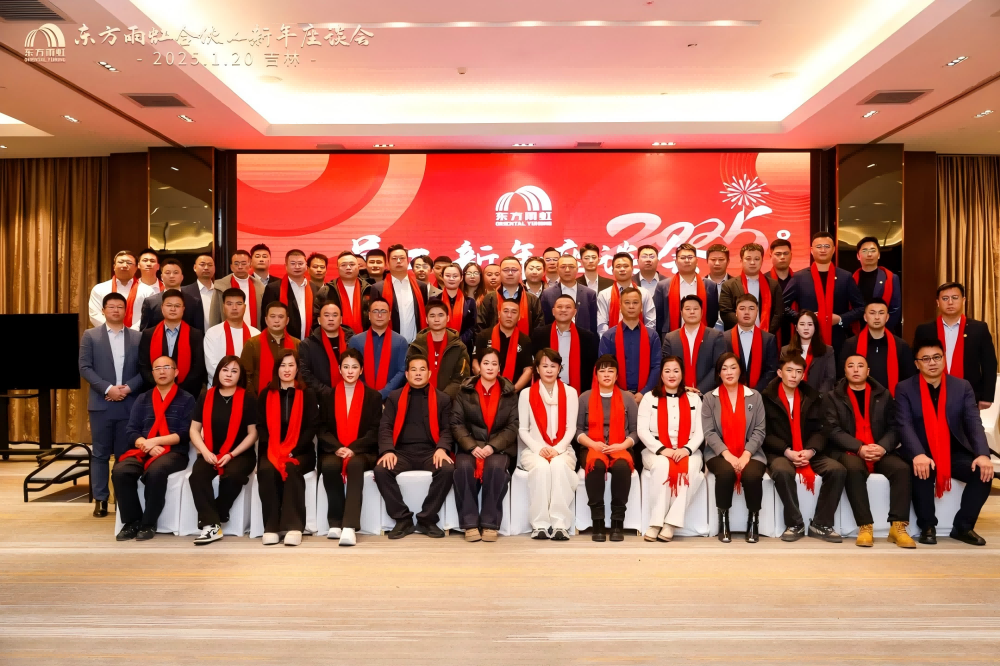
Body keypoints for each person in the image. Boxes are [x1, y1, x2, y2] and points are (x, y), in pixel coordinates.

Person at [896, 338, 994, 546]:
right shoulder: (905, 388)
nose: (932, 362)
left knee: (983, 473)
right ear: (917, 364)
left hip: (953, 450)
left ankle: (963, 527)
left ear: (944, 359)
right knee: (922, 470)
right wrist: (918, 454)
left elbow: (973, 422)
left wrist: (983, 454)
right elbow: (904, 424)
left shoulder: (961, 386)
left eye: (936, 357)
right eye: (926, 359)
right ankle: (927, 526)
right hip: (921, 449)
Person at [824, 354, 915, 548]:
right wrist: (859, 447)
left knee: (902, 469)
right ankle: (865, 526)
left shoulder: (884, 394)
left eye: (860, 366)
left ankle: (898, 526)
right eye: (851, 366)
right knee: (853, 469)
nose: (856, 369)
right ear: (845, 371)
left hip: (878, 449)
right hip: (849, 450)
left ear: (868, 371)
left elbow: (895, 427)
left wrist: (883, 447)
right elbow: (832, 430)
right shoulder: (832, 397)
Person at [763, 353, 846, 542]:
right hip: (781, 452)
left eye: (798, 371)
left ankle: (821, 524)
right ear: (779, 373)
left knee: (837, 470)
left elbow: (823, 429)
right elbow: (765, 433)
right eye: (789, 370)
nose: (793, 375)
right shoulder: (766, 397)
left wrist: (810, 451)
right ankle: (795, 524)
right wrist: (787, 451)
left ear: (803, 375)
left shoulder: (814, 397)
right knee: (782, 471)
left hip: (809, 450)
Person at [112, 356, 196, 541]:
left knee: (156, 471)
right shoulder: (143, 398)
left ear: (176, 372)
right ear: (152, 373)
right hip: (143, 449)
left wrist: (155, 441)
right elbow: (131, 430)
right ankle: (132, 522)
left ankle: (149, 523)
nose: (162, 371)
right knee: (120, 471)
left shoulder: (187, 399)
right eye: (157, 368)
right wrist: (147, 445)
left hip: (174, 452)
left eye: (167, 367)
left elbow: (185, 433)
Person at [376, 355, 456, 539]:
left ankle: (427, 519)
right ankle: (403, 519)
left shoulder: (443, 399)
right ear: (406, 374)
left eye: (422, 369)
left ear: (429, 373)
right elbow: (385, 427)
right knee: (381, 470)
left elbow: (447, 429)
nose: (418, 373)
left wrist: (442, 448)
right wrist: (388, 450)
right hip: (401, 452)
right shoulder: (395, 397)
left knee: (447, 469)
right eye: (413, 369)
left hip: (431, 452)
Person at [79, 292, 143, 518]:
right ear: (103, 310)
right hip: (101, 403)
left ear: (126, 311)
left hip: (129, 403)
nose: (116, 310)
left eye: (120, 307)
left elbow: (144, 370)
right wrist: (108, 389)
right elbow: (84, 367)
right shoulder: (90, 335)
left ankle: (121, 498)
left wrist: (127, 388)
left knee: (125, 454)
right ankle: (100, 499)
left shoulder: (137, 337)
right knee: (100, 453)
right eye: (111, 307)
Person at [187, 356, 257, 545]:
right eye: (225, 370)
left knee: (233, 475)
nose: (229, 374)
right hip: (210, 451)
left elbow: (253, 434)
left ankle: (216, 515)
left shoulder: (248, 398)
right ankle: (212, 526)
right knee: (197, 476)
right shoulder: (206, 396)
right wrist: (205, 451)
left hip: (240, 454)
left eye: (234, 371)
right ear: (218, 372)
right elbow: (194, 430)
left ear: (240, 376)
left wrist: (231, 454)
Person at [451, 348, 519, 542]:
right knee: (463, 468)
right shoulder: (464, 391)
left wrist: (492, 447)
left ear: (499, 368)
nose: (490, 367)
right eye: (486, 363)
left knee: (496, 468)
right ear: (478, 366)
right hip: (470, 445)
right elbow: (456, 423)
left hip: (498, 447)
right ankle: (469, 523)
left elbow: (513, 426)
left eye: (494, 364)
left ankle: (490, 523)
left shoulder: (509, 393)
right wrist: (472, 446)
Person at [317, 348, 383, 547]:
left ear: (361, 370)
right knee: (329, 466)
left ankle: (349, 526)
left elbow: (375, 430)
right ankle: (335, 522)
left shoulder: (373, 397)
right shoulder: (328, 396)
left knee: (354, 465)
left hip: (363, 451)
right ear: (339, 369)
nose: (350, 371)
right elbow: (321, 429)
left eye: (354, 367)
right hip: (335, 449)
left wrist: (353, 448)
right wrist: (338, 447)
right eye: (346, 367)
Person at [256, 349, 320, 546]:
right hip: (272, 450)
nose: (286, 369)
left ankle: (294, 527)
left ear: (297, 368)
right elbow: (261, 427)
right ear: (276, 368)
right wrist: (275, 449)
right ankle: (272, 527)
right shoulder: (266, 394)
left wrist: (293, 450)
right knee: (267, 470)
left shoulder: (307, 394)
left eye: (291, 365)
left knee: (291, 468)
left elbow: (312, 427)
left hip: (300, 451)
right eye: (282, 365)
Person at [701, 352, 767, 543]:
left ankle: (753, 521)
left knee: (752, 475)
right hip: (718, 453)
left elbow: (760, 430)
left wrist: (746, 455)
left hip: (751, 452)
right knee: (726, 473)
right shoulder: (710, 398)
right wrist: (728, 455)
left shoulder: (754, 396)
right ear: (718, 373)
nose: (729, 372)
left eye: (733, 367)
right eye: (724, 369)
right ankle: (723, 521)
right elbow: (709, 432)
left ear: (740, 371)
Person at [637, 356, 704, 542]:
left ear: (682, 374)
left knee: (691, 469)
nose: (672, 375)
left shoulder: (694, 399)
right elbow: (642, 430)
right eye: (667, 371)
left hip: (687, 449)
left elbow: (701, 431)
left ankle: (671, 523)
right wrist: (662, 450)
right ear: (661, 375)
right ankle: (655, 523)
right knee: (662, 466)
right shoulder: (649, 397)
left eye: (676, 371)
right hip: (655, 450)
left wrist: (687, 449)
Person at [518, 349, 580, 540]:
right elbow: (523, 430)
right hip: (534, 450)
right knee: (542, 468)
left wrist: (557, 449)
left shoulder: (570, 393)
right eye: (544, 366)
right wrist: (540, 449)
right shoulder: (526, 394)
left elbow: (571, 428)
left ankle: (560, 524)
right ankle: (540, 525)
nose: (549, 370)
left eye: (553, 366)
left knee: (559, 466)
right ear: (537, 369)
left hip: (563, 449)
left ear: (559, 368)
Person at [576, 355, 638, 542]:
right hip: (592, 447)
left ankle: (618, 522)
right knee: (595, 467)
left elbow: (636, 431)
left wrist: (622, 445)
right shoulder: (585, 398)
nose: (606, 374)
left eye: (611, 371)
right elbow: (577, 430)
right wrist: (593, 444)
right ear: (596, 375)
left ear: (617, 375)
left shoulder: (627, 398)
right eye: (602, 371)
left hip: (621, 447)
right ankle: (598, 522)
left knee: (622, 468)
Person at [914, 282, 997, 408]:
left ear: (963, 300)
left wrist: (987, 396)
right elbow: (916, 363)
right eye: (945, 298)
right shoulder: (924, 330)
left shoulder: (979, 329)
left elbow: (989, 364)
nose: (950, 302)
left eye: (955, 298)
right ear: (938, 302)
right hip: (930, 394)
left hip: (969, 395)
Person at [783, 231, 865, 355]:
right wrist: (802, 319)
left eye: (827, 246)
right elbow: (782, 305)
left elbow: (861, 307)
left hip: (838, 338)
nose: (823, 250)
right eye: (819, 246)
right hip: (806, 339)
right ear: (811, 250)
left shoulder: (845, 277)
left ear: (833, 250)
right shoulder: (799, 277)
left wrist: (841, 319)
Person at [598, 287, 661, 407]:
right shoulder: (608, 336)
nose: (631, 306)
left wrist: (644, 392)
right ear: (620, 307)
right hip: (615, 396)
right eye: (627, 303)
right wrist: (621, 393)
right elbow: (604, 368)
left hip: (647, 396)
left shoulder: (652, 336)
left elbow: (656, 366)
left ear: (641, 307)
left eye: (635, 303)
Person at [138, 289, 206, 396]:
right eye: (169, 305)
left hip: (187, 393)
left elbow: (198, 367)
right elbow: (144, 366)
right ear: (162, 308)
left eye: (177, 306)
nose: (173, 309)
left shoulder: (195, 334)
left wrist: (179, 391)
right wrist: (161, 387)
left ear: (183, 309)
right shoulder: (148, 334)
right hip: (155, 392)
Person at [839, 299, 914, 396]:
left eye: (881, 313)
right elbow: (842, 376)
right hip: (858, 399)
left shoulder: (901, 345)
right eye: (872, 313)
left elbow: (908, 379)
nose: (877, 317)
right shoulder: (850, 344)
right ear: (865, 317)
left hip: (892, 400)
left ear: (887, 317)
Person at [660, 295, 726, 395]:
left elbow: (718, 367)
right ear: (681, 312)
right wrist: (683, 389)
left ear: (702, 312)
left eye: (695, 309)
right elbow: (665, 367)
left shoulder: (716, 336)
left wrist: (699, 390)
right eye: (687, 309)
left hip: (708, 395)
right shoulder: (670, 338)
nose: (692, 312)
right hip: (678, 393)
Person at [531, 294, 598, 393]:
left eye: (568, 307)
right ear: (553, 311)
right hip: (545, 389)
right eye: (559, 307)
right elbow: (535, 363)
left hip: (578, 390)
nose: (563, 310)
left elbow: (591, 367)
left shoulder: (587, 337)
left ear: (575, 312)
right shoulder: (539, 334)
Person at [347, 297, 409, 401]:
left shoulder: (400, 341)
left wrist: (383, 393)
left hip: (392, 398)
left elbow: (402, 371)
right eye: (375, 311)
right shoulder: (356, 341)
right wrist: (369, 393)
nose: (379, 315)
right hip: (361, 396)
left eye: (383, 311)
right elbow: (351, 369)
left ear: (389, 315)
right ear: (369, 315)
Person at [409, 300, 470, 398]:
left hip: (450, 400)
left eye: (441, 315)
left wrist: (443, 398)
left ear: (448, 318)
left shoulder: (459, 347)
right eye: (432, 316)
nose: (436, 319)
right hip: (420, 398)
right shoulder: (416, 346)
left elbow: (461, 378)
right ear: (426, 319)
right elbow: (410, 374)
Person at [719, 243, 783, 334]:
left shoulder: (773, 285)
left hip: (766, 335)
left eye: (756, 259)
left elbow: (779, 313)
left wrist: (766, 334)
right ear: (741, 261)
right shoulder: (729, 285)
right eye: (748, 259)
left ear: (762, 261)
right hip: (737, 334)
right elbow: (726, 312)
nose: (752, 262)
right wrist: (746, 329)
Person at [372, 244, 430, 344]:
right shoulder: (378, 288)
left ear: (408, 262)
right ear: (388, 263)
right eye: (394, 258)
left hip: (416, 344)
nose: (398, 261)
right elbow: (374, 319)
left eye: (402, 258)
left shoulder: (421, 287)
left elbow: (425, 315)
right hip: (389, 343)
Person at [240, 301, 300, 395]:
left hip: (291, 397)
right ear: (266, 319)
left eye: (281, 317)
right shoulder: (252, 344)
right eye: (272, 316)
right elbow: (246, 376)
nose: (276, 320)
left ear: (287, 320)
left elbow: (301, 374)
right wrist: (253, 398)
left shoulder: (297, 344)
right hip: (260, 399)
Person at [299, 302, 355, 400]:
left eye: (335, 315)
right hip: (321, 398)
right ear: (319, 320)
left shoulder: (353, 341)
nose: (331, 319)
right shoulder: (307, 344)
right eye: (326, 315)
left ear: (341, 319)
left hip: (352, 395)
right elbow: (306, 374)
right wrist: (328, 392)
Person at [474, 299, 533, 391]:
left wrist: (512, 391)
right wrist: (487, 382)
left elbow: (528, 370)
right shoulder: (483, 336)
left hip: (513, 393)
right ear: (499, 314)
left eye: (514, 312)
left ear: (519, 317)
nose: (509, 315)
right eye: (505, 311)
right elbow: (475, 363)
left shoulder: (525, 340)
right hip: (485, 390)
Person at [204, 288, 260, 384]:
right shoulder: (212, 333)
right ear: (223, 307)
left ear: (245, 307)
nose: (234, 308)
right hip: (219, 387)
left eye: (239, 304)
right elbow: (212, 366)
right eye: (229, 304)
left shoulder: (256, 334)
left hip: (248, 387)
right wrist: (232, 381)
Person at [724, 293, 778, 392]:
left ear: (757, 312)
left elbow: (771, 371)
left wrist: (755, 392)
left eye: (751, 308)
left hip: (760, 394)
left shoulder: (769, 339)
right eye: (742, 308)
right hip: (730, 392)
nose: (747, 312)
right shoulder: (724, 338)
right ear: (736, 312)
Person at [260, 249, 318, 341]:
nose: (297, 267)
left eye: (300, 263)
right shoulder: (274, 288)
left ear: (306, 266)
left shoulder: (314, 288)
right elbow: (265, 319)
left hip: (309, 342)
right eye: (293, 263)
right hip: (282, 341)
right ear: (286, 266)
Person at [477, 256, 544, 334]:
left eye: (514, 270)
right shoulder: (490, 298)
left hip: (525, 341)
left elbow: (539, 328)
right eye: (506, 270)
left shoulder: (532, 299)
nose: (510, 273)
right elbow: (480, 325)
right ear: (500, 273)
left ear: (521, 272)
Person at [653, 243, 708, 335]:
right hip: (671, 337)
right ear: (676, 261)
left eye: (690, 257)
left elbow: (711, 316)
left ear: (697, 261)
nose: (687, 260)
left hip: (703, 336)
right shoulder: (663, 286)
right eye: (682, 258)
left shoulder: (709, 285)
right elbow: (658, 316)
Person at [88, 250, 150, 331]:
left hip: (138, 335)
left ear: (136, 268)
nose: (124, 265)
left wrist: (131, 332)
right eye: (121, 262)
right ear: (114, 267)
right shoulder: (99, 289)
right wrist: (113, 329)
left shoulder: (148, 291)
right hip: (106, 334)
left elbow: (148, 316)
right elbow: (95, 314)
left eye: (129, 263)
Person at [597, 252, 656, 336]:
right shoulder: (604, 294)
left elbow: (650, 322)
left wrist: (644, 338)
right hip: (613, 340)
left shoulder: (644, 293)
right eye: (618, 266)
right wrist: (609, 340)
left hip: (640, 339)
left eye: (625, 266)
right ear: (613, 271)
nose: (622, 269)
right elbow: (602, 324)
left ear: (632, 269)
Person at [317, 250, 373, 335]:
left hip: (366, 337)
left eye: (352, 264)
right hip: (335, 338)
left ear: (358, 267)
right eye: (343, 265)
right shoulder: (326, 290)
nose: (348, 267)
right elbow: (317, 318)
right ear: (337, 268)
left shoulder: (369, 289)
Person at [540, 254, 598, 334]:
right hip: (554, 338)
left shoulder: (589, 294)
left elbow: (593, 324)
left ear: (577, 269)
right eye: (563, 267)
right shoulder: (547, 294)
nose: (567, 270)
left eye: (571, 267)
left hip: (583, 339)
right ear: (557, 269)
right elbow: (545, 322)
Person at [852, 237, 901, 331]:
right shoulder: (851, 280)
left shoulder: (891, 278)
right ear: (858, 256)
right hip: (858, 330)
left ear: (879, 255)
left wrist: (880, 330)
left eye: (873, 250)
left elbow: (895, 309)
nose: (869, 254)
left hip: (884, 331)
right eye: (865, 251)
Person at [139, 259, 203, 331]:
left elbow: (198, 332)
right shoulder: (150, 302)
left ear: (182, 277)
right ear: (161, 277)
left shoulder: (194, 302)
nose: (172, 276)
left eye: (176, 273)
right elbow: (145, 332)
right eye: (167, 273)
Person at [782, 310, 836, 394]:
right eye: (802, 324)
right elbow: (783, 377)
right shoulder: (786, 350)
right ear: (796, 327)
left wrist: (817, 397)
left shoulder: (827, 350)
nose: (806, 328)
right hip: (792, 395)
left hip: (818, 397)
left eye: (810, 324)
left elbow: (830, 378)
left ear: (815, 328)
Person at [213, 249, 265, 330]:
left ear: (250, 265)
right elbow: (215, 315)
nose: (240, 267)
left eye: (243, 263)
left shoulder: (260, 286)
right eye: (236, 264)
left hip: (254, 332)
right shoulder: (220, 286)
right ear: (231, 267)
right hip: (227, 332)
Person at [439, 263, 478, 351]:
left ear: (461, 278)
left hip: (463, 348)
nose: (451, 279)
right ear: (442, 277)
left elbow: (472, 327)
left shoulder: (470, 302)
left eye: (455, 276)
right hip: (439, 346)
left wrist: (458, 342)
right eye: (447, 276)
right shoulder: (435, 300)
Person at [768, 238, 795, 347]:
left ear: (791, 255)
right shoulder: (764, 280)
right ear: (770, 256)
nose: (782, 257)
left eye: (786, 253)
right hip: (771, 332)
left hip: (796, 332)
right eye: (778, 254)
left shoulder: (799, 280)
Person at [183, 253, 218, 330]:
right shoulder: (185, 292)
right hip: (194, 334)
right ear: (195, 267)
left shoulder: (221, 291)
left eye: (210, 265)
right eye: (202, 264)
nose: (206, 268)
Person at [704, 243, 733, 331]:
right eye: (713, 259)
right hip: (706, 332)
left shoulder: (737, 284)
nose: (717, 263)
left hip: (731, 332)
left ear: (728, 261)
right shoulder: (700, 285)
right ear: (707, 261)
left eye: (721, 259)